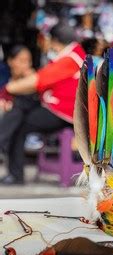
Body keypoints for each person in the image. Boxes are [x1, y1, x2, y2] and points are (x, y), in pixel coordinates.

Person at [0, 23, 86, 185]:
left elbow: (38, 81)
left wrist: (7, 89)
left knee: (19, 122)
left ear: (55, 41)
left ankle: (15, 173)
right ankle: (11, 164)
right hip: (58, 108)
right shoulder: (75, 55)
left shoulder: (70, 58)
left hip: (63, 114)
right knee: (18, 109)